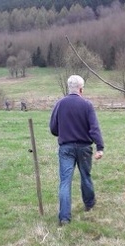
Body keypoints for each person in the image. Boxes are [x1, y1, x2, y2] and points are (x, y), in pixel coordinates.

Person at [49, 74, 105, 226]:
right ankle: (89, 204)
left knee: (65, 182)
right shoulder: (87, 105)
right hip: (84, 148)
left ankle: (64, 217)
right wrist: (100, 147)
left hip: (66, 148)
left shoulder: (60, 104)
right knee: (85, 176)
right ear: (81, 89)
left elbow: (53, 128)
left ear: (69, 88)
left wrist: (64, 131)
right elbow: (94, 129)